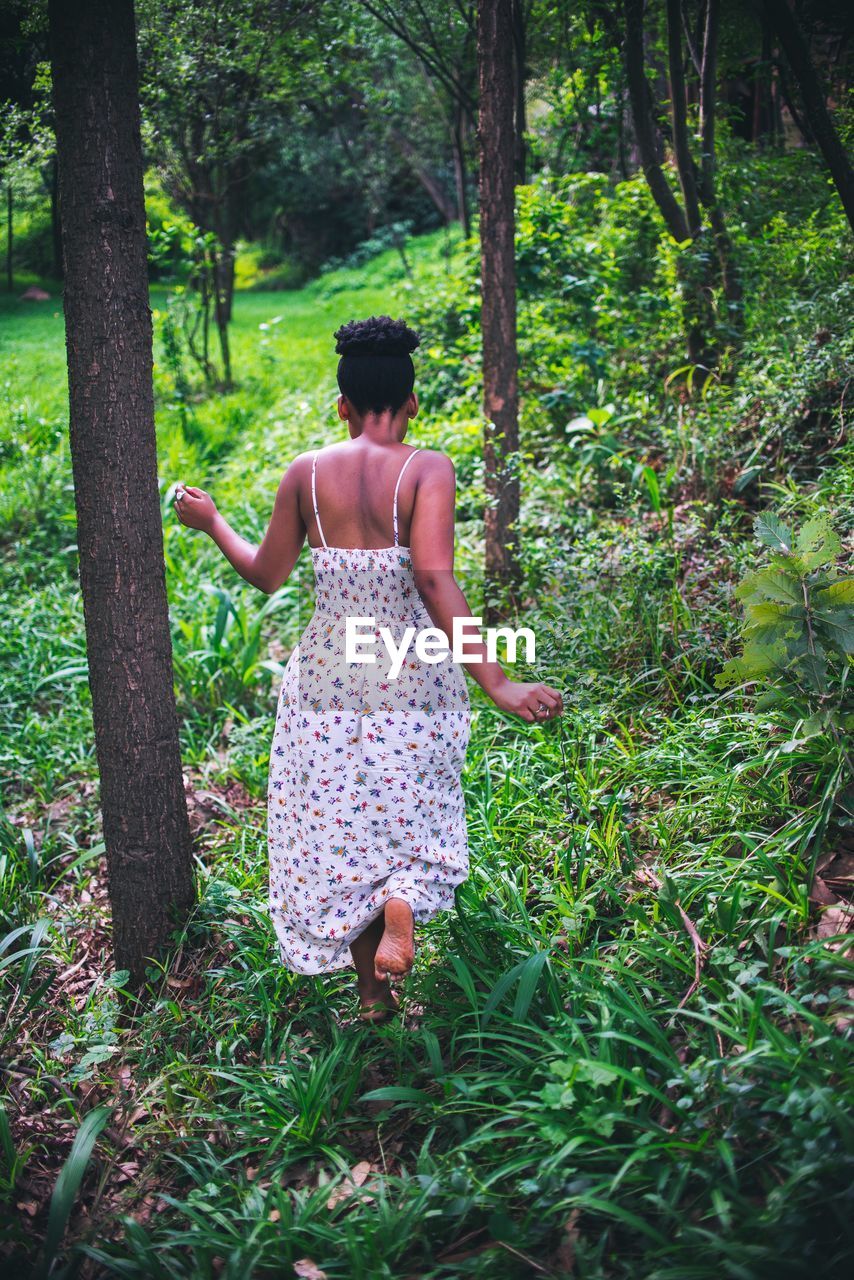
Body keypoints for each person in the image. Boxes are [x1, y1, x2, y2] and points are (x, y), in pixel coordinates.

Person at [173, 315, 563, 1022]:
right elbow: (437, 582)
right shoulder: (426, 468)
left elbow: (267, 574)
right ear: (413, 402)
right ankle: (402, 906)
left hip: (326, 672)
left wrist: (213, 523)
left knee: (344, 817)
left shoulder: (306, 472)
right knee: (413, 797)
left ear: (342, 406)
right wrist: (499, 682)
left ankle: (371, 992)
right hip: (408, 664)